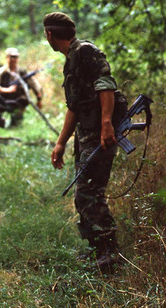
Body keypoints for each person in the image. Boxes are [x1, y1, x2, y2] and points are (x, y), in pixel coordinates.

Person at [43, 12, 126, 270]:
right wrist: (61, 142)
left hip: (99, 132)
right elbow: (74, 107)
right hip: (87, 132)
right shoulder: (72, 59)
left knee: (89, 191)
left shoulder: (85, 51)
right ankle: (96, 249)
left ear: (49, 34)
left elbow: (106, 84)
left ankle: (109, 254)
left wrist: (106, 124)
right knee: (84, 192)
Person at [0, 47, 43, 126]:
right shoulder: (1, 71)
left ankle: (17, 117)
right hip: (3, 99)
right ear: (7, 57)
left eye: (15, 57)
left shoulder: (22, 71)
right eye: (11, 57)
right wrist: (6, 90)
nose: (13, 59)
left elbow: (34, 84)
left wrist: (39, 98)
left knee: (17, 122)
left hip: (18, 100)